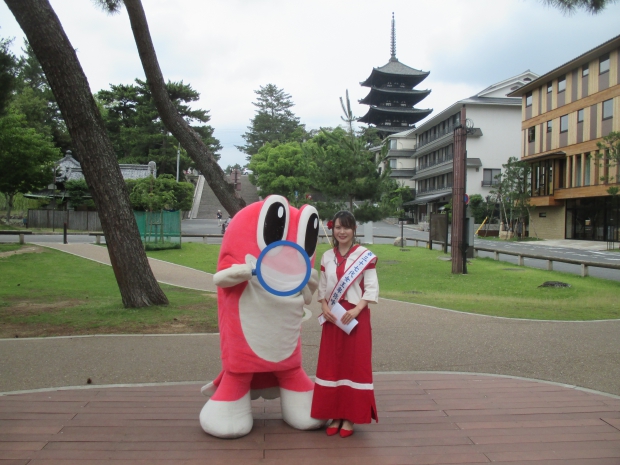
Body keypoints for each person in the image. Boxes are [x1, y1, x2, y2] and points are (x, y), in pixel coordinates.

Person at [311, 210, 379, 438]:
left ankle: (349, 417)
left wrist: (357, 310)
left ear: (354, 230)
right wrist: (324, 307)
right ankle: (335, 414)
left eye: (346, 227)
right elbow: (322, 288)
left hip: (355, 318)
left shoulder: (364, 256)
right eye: (338, 227)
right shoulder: (326, 257)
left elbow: (371, 288)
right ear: (332, 229)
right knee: (333, 364)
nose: (342, 232)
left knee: (353, 364)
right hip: (333, 318)